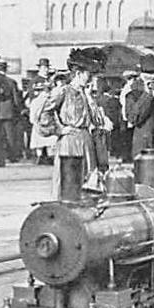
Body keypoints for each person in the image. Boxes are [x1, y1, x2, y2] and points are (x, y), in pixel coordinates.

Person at [42, 48, 104, 199]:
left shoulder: (88, 94)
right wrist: (59, 129)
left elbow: (98, 121)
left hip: (86, 140)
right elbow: (44, 114)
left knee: (89, 180)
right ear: (78, 74)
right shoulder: (63, 91)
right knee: (68, 180)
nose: (91, 80)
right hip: (69, 141)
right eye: (89, 75)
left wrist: (90, 99)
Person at [0, 59, 21, 162]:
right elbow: (16, 99)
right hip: (8, 111)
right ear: (6, 69)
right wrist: (18, 110)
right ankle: (12, 156)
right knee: (10, 134)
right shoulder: (11, 82)